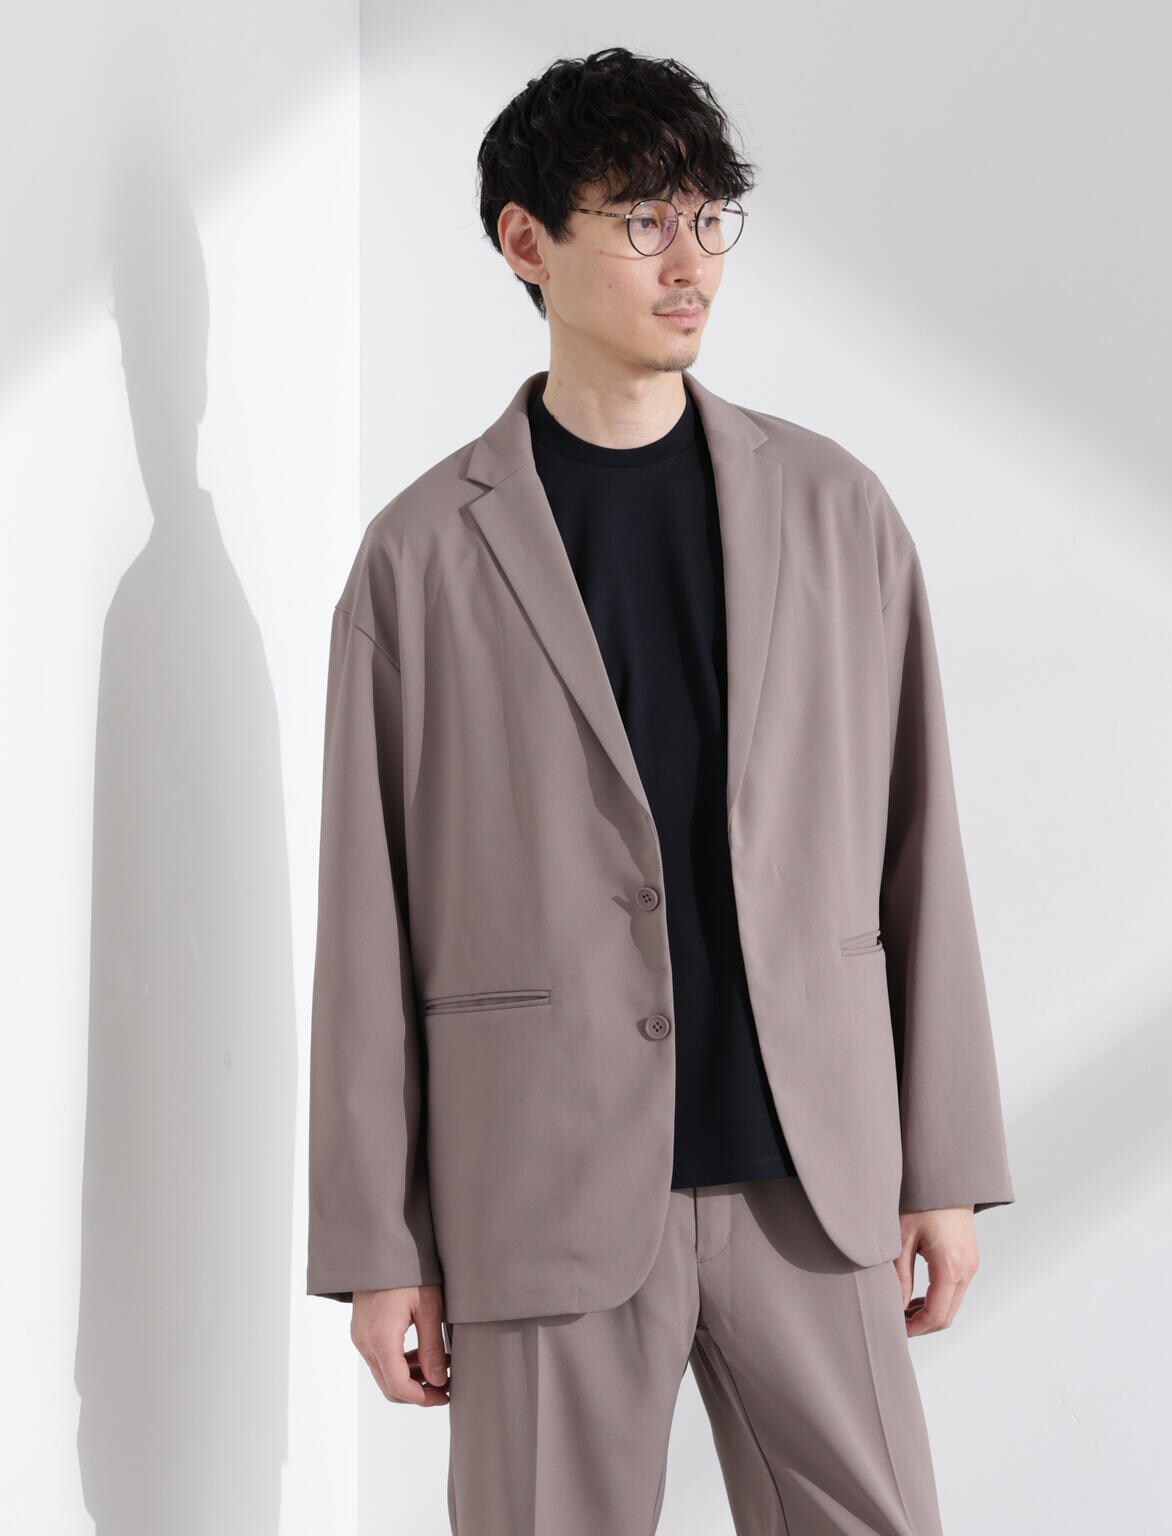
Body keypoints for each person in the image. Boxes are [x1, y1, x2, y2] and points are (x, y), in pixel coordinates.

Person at [307, 45, 1014, 1536]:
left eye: (707, 219)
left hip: (809, 1184)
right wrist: (377, 1242)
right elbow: (367, 919)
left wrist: (946, 1161)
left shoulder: (837, 513)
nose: (689, 263)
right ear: (525, 241)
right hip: (539, 1189)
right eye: (641, 220)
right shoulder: (421, 558)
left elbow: (919, 847)